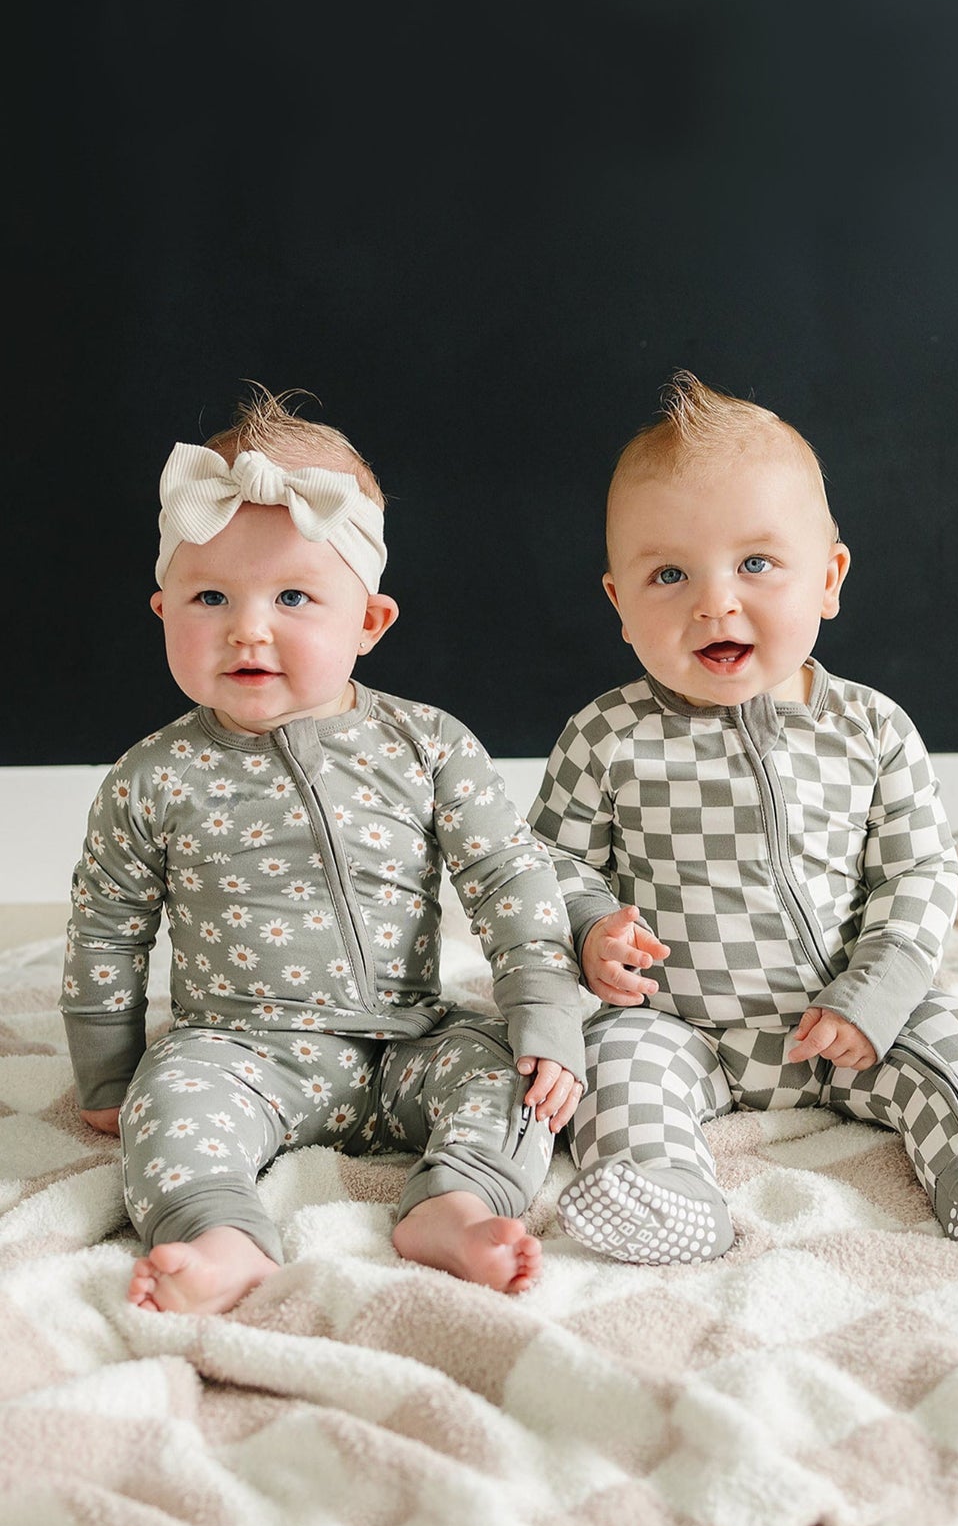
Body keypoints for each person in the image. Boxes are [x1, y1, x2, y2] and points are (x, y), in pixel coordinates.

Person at [527, 371, 958, 1264]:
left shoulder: (871, 728)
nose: (715, 601)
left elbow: (918, 871)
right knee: (611, 1065)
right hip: (680, 1023)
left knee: (954, 1031)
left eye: (755, 564)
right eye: (669, 574)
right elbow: (549, 862)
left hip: (846, 1020)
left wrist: (875, 993)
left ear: (828, 579)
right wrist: (586, 927)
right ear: (619, 603)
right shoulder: (605, 736)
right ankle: (666, 1186)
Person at [60, 386, 585, 1312]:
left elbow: (510, 878)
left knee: (519, 1081)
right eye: (210, 596)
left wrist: (543, 1011)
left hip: (410, 1040)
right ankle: (219, 1234)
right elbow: (107, 927)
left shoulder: (428, 745)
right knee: (166, 1100)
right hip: (237, 1049)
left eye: (294, 596)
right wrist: (107, 1068)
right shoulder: (152, 776)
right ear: (163, 608)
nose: (248, 626)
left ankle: (455, 1205)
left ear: (369, 622)